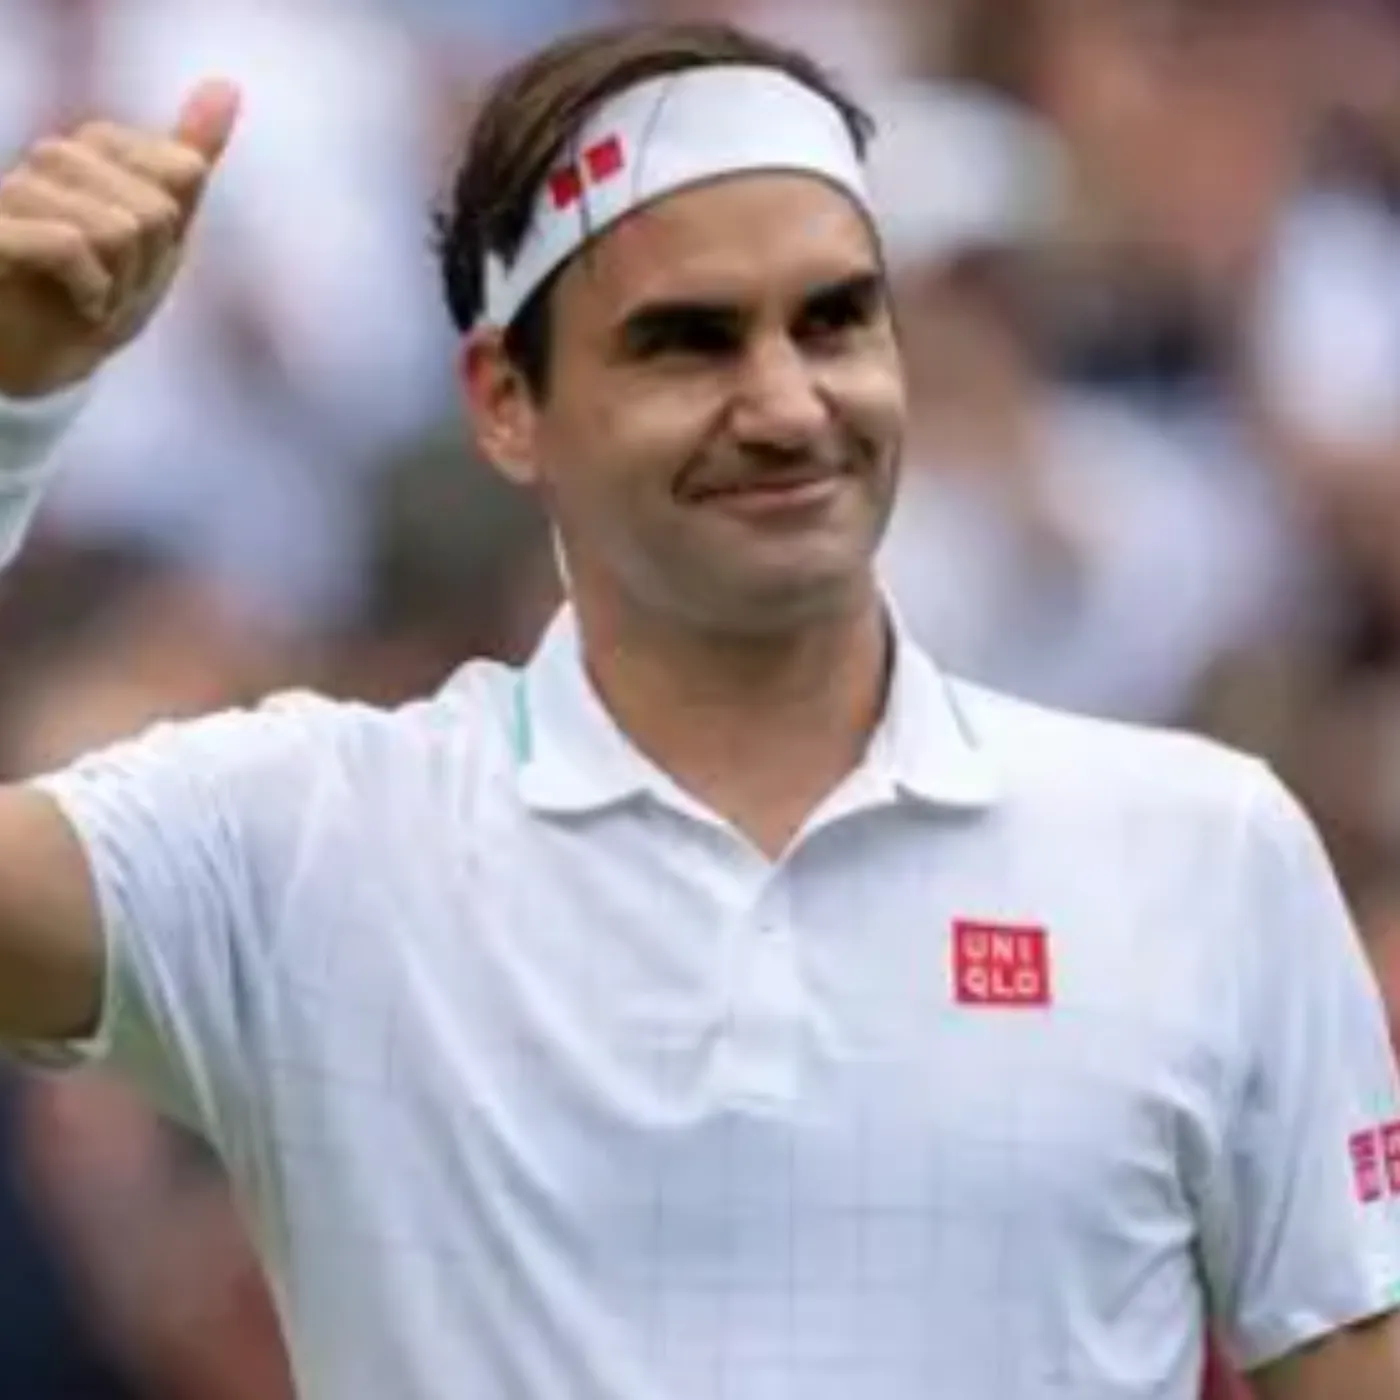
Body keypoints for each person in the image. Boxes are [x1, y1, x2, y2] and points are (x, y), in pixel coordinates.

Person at [0, 19, 1396, 1400]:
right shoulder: (307, 841)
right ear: (505, 403)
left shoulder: (1207, 851)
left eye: (835, 319)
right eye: (688, 342)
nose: (787, 403)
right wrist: (10, 411)